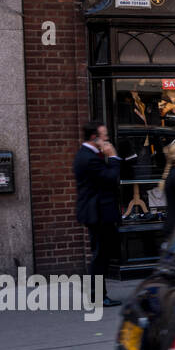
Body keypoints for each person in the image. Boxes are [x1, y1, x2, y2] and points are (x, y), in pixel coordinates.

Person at [74, 121, 123, 306]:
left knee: (102, 253)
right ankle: (97, 296)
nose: (108, 139)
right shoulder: (89, 158)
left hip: (99, 212)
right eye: (105, 136)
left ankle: (98, 294)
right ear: (94, 137)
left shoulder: (89, 155)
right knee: (100, 255)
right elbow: (110, 179)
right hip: (98, 214)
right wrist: (114, 157)